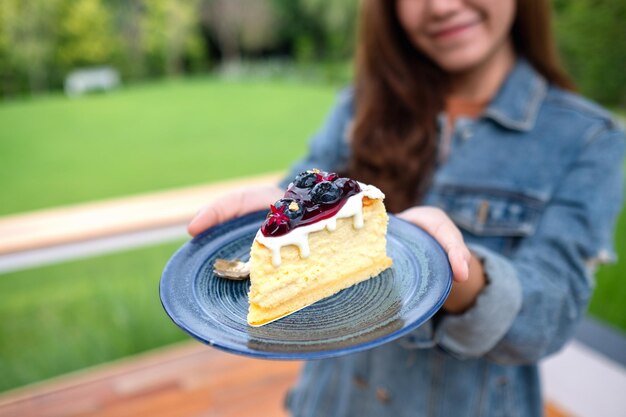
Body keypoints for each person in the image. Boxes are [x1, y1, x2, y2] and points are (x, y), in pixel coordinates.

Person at [188, 0, 625, 416]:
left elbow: (550, 315)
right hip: (328, 402)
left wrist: (451, 269)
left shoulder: (590, 139)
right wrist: (282, 208)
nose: (441, 6)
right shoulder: (359, 105)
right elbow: (303, 186)